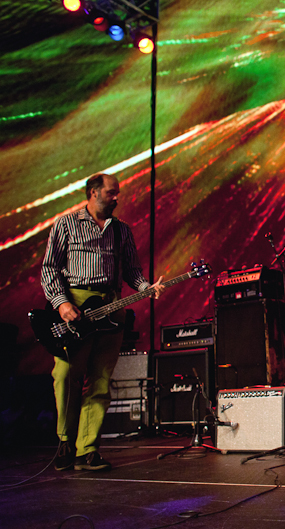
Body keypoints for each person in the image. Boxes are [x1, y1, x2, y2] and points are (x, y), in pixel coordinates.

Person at [41, 172, 165, 471]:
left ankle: (87, 450)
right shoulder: (66, 224)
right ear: (93, 192)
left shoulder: (121, 230)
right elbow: (50, 268)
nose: (116, 198)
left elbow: (132, 271)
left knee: (100, 381)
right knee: (66, 375)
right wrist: (61, 303)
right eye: (111, 192)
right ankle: (66, 441)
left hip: (111, 306)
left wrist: (145, 287)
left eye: (117, 192)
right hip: (76, 304)